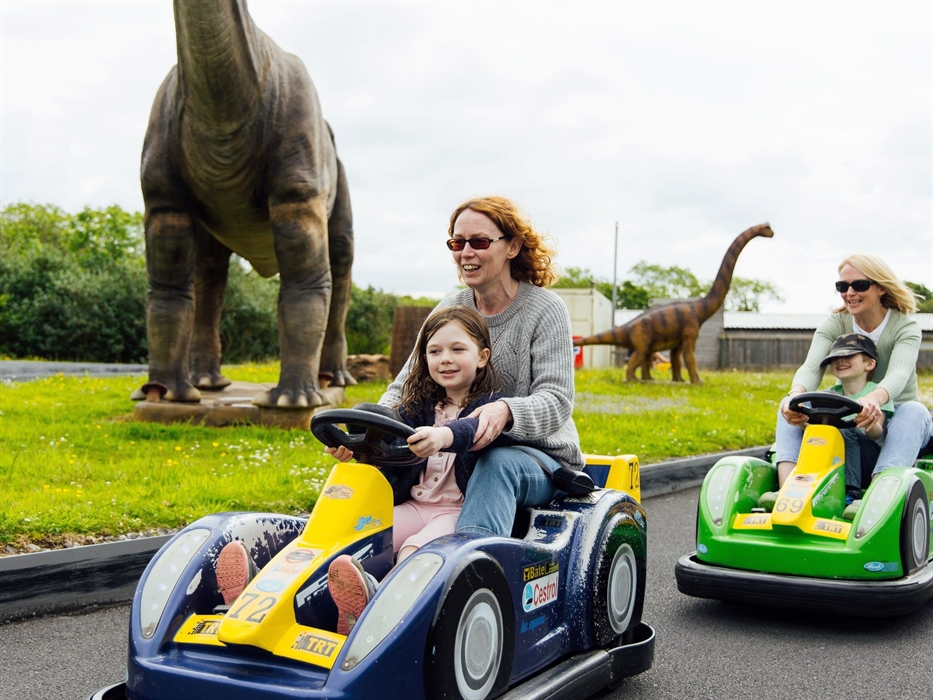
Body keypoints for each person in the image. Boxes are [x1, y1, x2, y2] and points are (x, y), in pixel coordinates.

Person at [381, 195, 585, 541]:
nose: (465, 252)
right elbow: (404, 387)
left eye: (479, 242)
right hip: (462, 451)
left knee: (497, 462)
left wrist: (506, 410)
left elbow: (557, 401)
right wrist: (368, 435)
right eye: (457, 243)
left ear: (512, 247)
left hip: (536, 459)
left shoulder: (545, 309)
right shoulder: (449, 308)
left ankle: (470, 565)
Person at [324, 305, 507, 633]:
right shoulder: (419, 406)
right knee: (362, 534)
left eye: (457, 349)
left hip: (455, 511)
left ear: (482, 357)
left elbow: (474, 431)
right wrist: (352, 446)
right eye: (435, 351)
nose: (445, 359)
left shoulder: (490, 405)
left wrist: (443, 435)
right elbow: (389, 441)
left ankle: (378, 615)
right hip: (414, 504)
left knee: (414, 551)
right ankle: (315, 597)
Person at [769, 254, 933, 505]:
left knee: (915, 410)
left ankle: (880, 501)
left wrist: (872, 400)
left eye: (859, 285)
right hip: (852, 418)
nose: (849, 293)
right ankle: (789, 494)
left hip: (895, 420)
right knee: (788, 405)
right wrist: (794, 395)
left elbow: (899, 372)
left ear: (880, 288)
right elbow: (812, 367)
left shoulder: (905, 327)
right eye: (842, 287)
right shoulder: (835, 324)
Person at [759, 333, 893, 514]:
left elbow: (877, 434)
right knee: (816, 433)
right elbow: (816, 430)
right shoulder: (829, 394)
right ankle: (792, 490)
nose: (840, 361)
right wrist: (802, 423)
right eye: (836, 358)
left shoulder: (876, 395)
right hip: (834, 457)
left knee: (844, 429)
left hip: (867, 459)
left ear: (869, 363)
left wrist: (865, 417)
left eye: (848, 356)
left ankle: (850, 495)